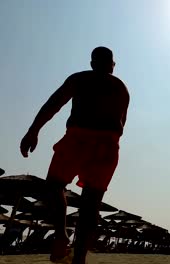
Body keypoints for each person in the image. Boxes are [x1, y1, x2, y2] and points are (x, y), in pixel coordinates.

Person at [20, 47, 130, 264]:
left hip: (79, 137)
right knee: (91, 204)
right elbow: (121, 124)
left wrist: (33, 130)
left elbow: (53, 105)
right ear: (112, 65)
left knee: (54, 185)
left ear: (92, 63)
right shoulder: (121, 88)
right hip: (108, 144)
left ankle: (61, 234)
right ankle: (79, 258)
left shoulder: (80, 79)